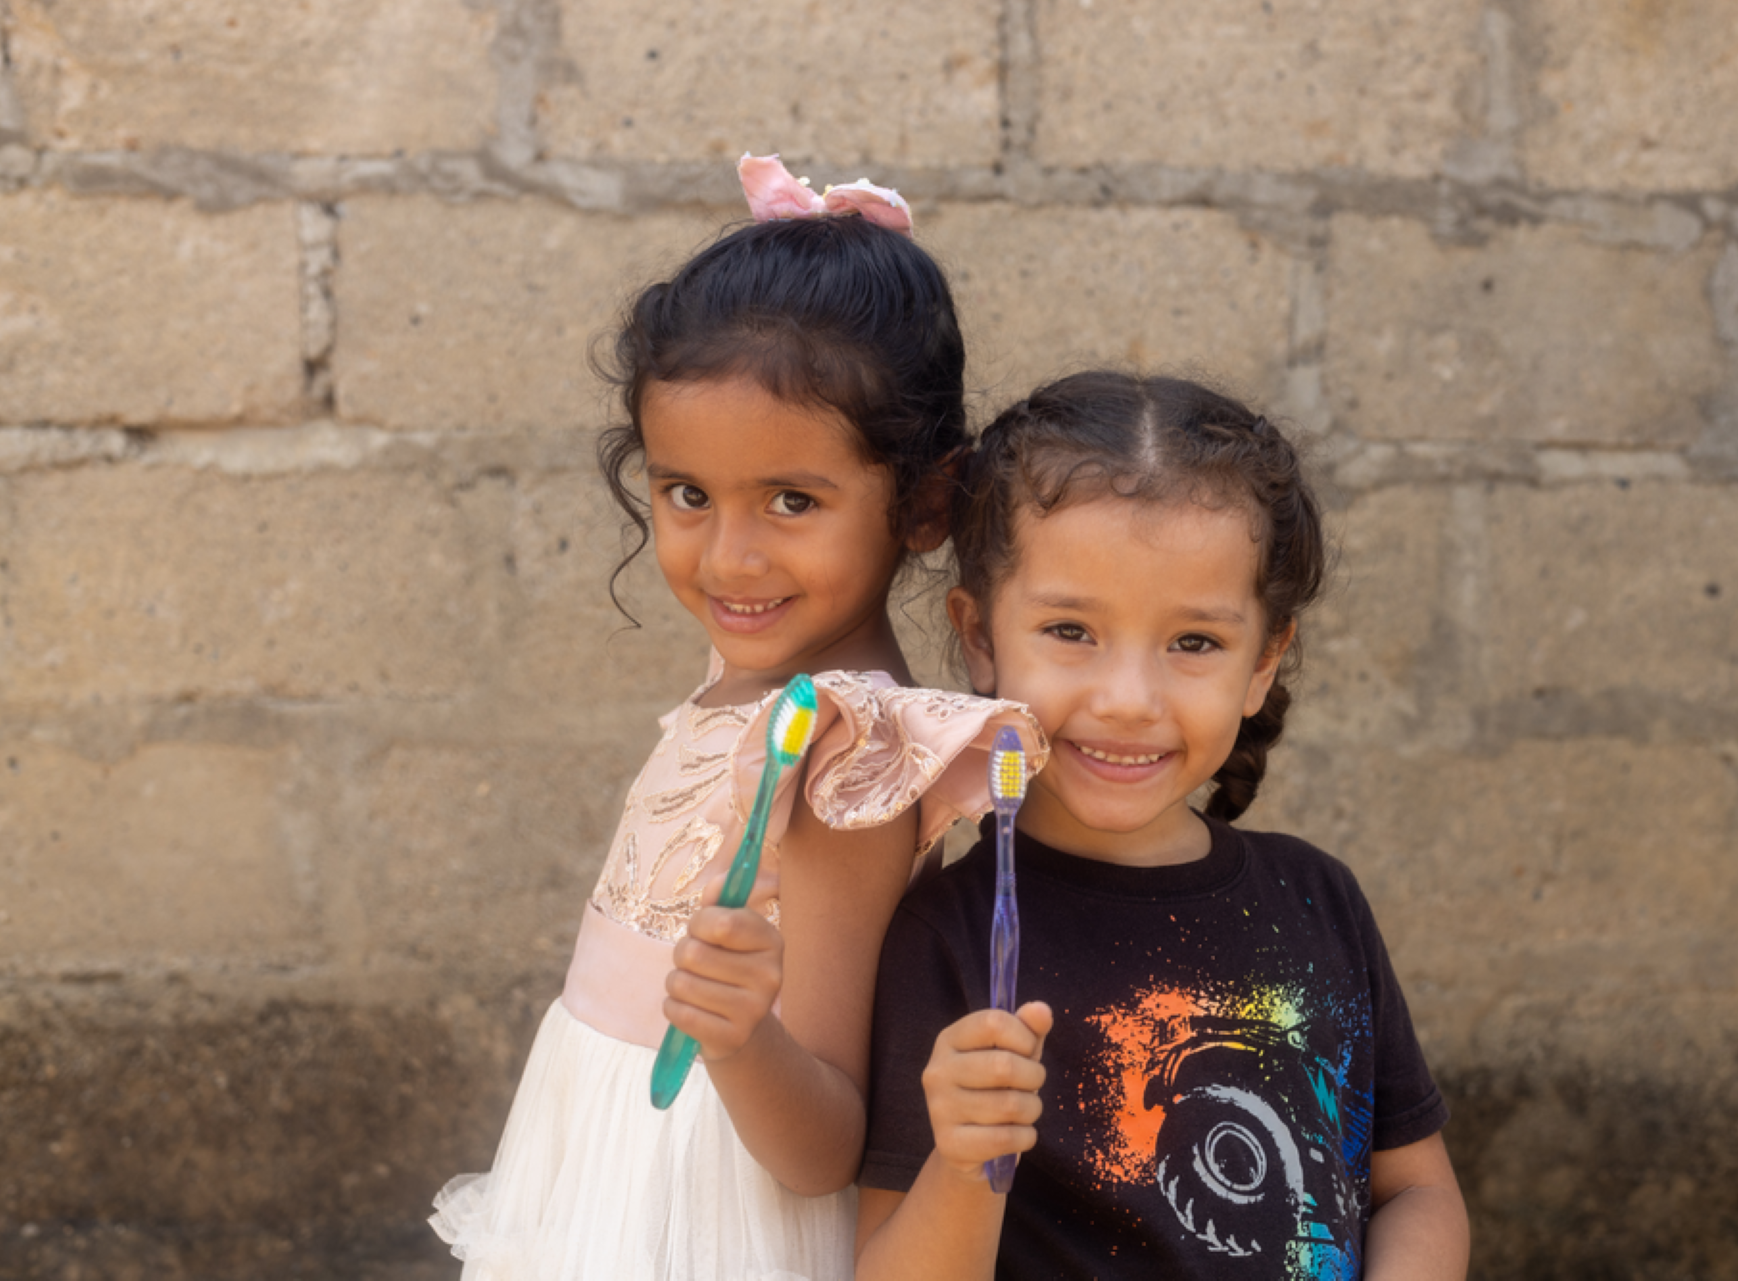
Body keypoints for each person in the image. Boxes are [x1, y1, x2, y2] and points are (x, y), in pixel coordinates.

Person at [430, 155, 1044, 1281]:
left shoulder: (844, 760)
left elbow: (825, 1149)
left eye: (793, 502)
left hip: (706, 1218)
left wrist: (740, 1034)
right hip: (600, 1171)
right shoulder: (762, 661)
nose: (730, 557)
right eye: (687, 495)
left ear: (923, 504)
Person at [855, 372, 1470, 1279]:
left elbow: (1417, 1190)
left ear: (1264, 660)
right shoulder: (948, 938)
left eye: (1193, 643)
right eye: (1070, 630)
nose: (1130, 701)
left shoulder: (1317, 899)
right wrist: (962, 1159)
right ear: (981, 636)